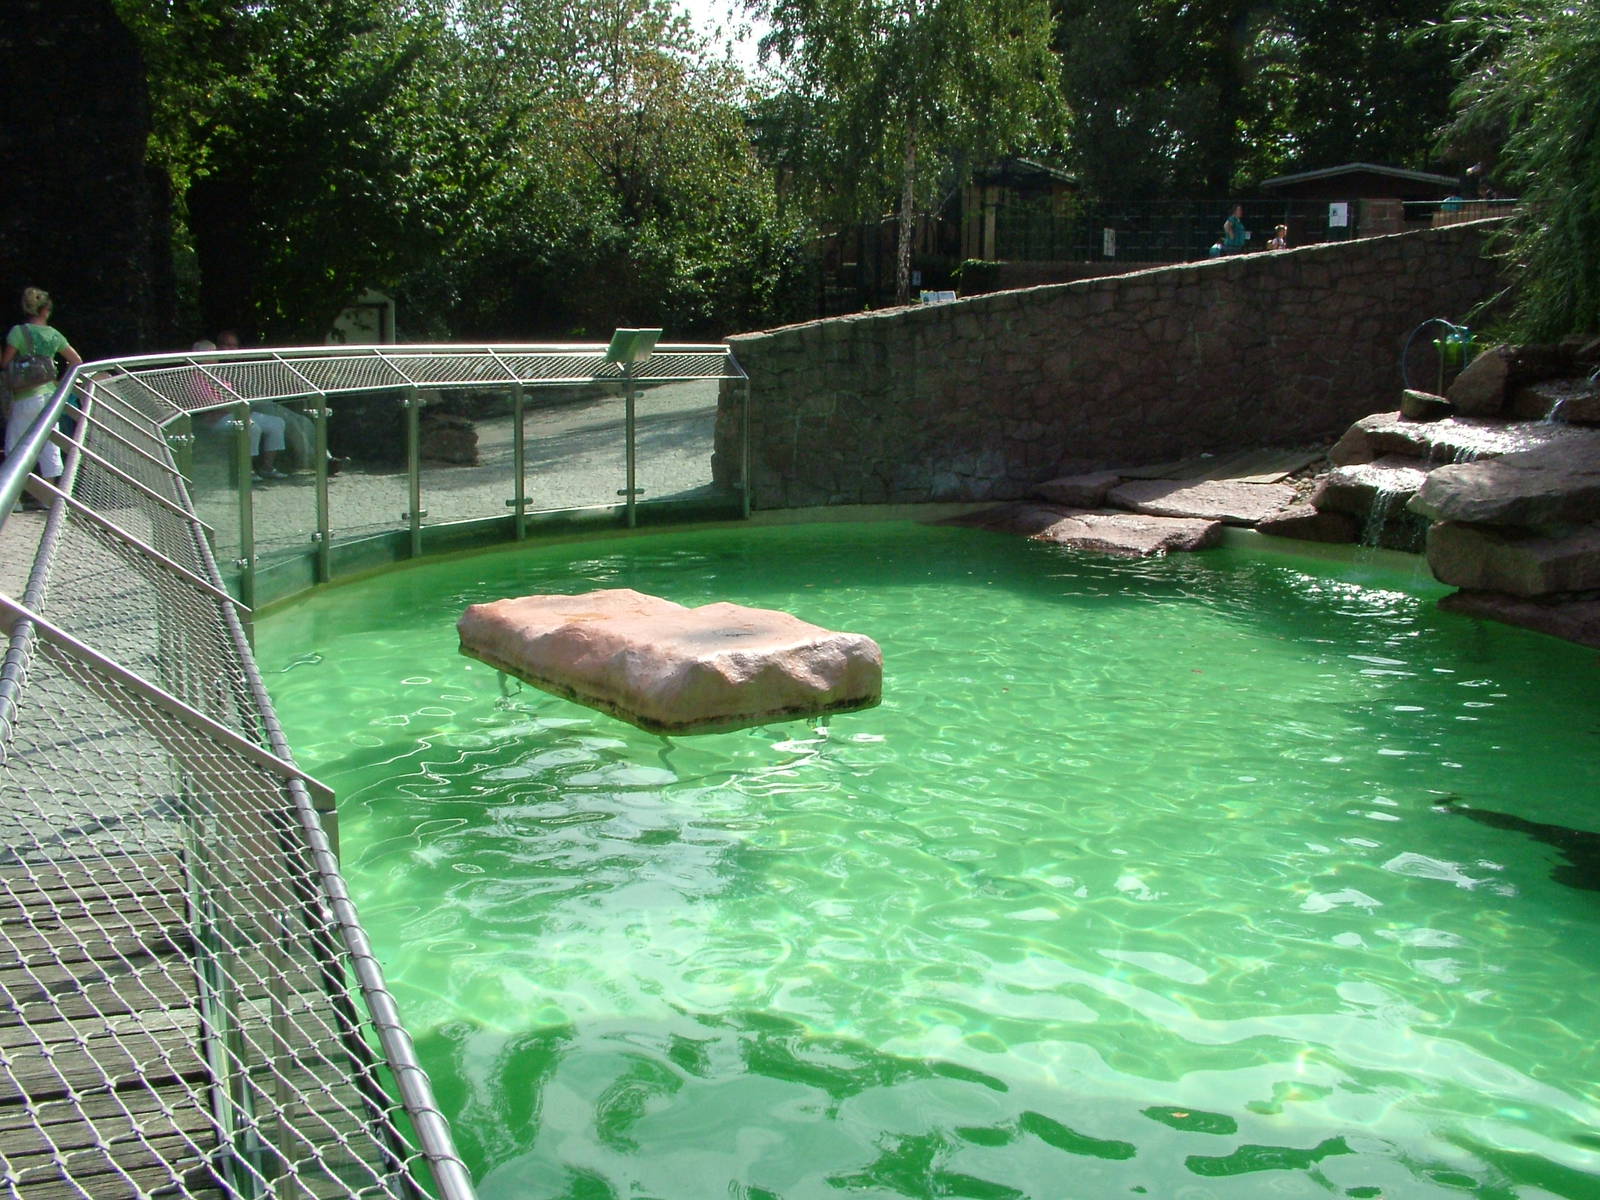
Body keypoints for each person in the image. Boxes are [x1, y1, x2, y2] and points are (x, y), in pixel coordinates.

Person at [216, 330, 344, 475]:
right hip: (249, 407)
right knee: (293, 425)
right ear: (218, 346)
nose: (231, 349)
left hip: (262, 402)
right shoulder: (215, 367)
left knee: (304, 421)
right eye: (226, 345)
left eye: (234, 345)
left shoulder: (241, 364)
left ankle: (328, 458)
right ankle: (320, 463)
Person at [2, 287, 82, 506]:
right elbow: (76, 361)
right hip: (49, 397)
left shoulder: (18, 332)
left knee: (15, 445)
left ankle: (14, 499)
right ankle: (48, 497)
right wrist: (60, 384)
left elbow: (5, 363)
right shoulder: (54, 335)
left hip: (24, 397)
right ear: (46, 310)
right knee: (50, 443)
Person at [192, 339, 287, 481]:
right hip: (217, 419)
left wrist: (246, 403)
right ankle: (246, 470)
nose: (215, 357)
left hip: (237, 412)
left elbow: (234, 397)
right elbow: (211, 404)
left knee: (276, 423)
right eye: (211, 354)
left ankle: (267, 467)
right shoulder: (196, 377)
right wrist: (241, 405)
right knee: (251, 427)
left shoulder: (216, 374)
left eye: (214, 353)